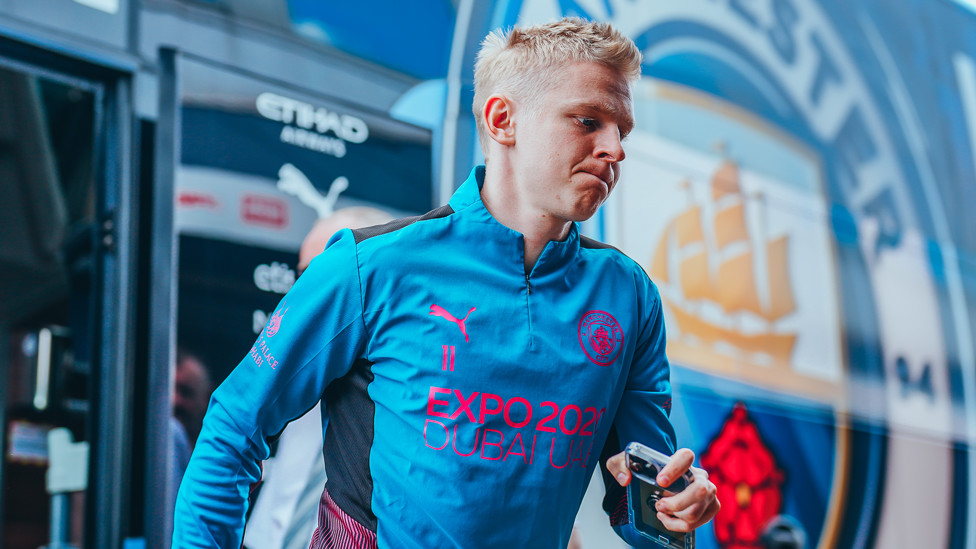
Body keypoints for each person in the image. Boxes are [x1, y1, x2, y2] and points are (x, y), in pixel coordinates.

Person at [174, 17, 719, 548]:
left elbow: (646, 509)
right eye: (587, 121)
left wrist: (675, 512)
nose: (615, 149)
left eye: (621, 131)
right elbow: (234, 429)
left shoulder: (628, 296)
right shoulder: (371, 266)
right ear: (502, 119)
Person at [243, 206, 394, 549]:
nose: (304, 297)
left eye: (321, 278)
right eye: (302, 279)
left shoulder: (397, 390)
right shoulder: (289, 368)